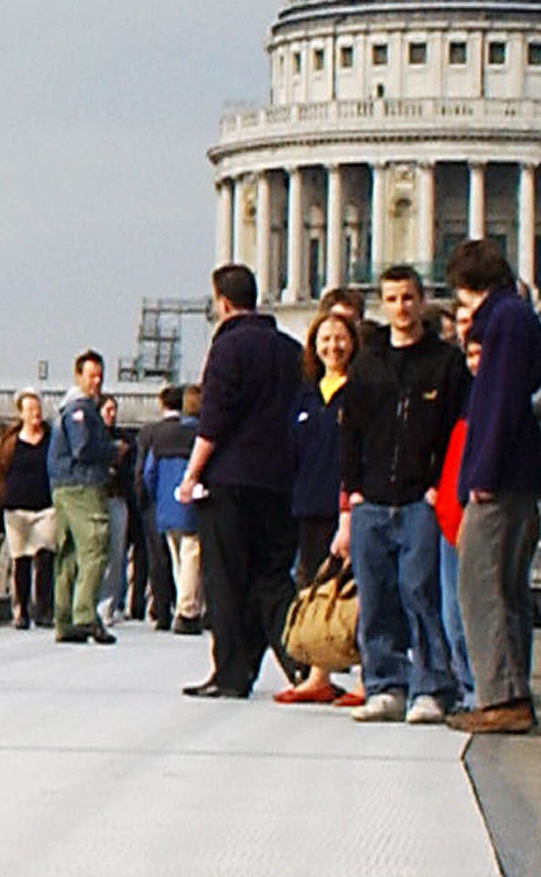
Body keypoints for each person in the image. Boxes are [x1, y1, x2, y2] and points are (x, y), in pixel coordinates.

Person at [338, 264, 469, 724]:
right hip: (372, 497)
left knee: (420, 592)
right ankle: (385, 683)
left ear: (421, 301)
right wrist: (351, 492)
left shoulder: (445, 363)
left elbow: (457, 430)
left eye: (408, 298)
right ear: (383, 304)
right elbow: (350, 431)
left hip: (420, 498)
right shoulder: (368, 364)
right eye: (392, 300)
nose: (401, 308)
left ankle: (431, 684)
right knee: (375, 595)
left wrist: (439, 486)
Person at [179, 264, 306, 700]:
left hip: (230, 481)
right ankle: (301, 662)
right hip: (279, 480)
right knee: (273, 576)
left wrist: (192, 473)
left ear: (223, 302)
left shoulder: (228, 348)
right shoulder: (290, 350)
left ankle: (232, 673)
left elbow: (215, 418)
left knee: (228, 578)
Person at [447, 234, 541, 740]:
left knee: (480, 585)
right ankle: (508, 694)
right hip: (518, 475)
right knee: (504, 587)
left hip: (502, 477)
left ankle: (502, 697)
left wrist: (481, 476)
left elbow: (501, 404)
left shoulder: (505, 322)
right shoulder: (518, 318)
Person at [271, 304, 363, 705]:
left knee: (358, 590)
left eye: (340, 338)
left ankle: (365, 673)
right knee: (314, 587)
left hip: (352, 502)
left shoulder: (361, 390)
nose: (333, 346)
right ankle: (318, 672)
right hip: (310, 502)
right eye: (325, 339)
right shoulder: (305, 395)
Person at [44, 351, 128, 645]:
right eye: (91, 376)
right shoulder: (81, 409)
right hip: (83, 484)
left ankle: (64, 619)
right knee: (94, 547)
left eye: (100, 377)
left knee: (67, 553)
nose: (96, 382)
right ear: (78, 375)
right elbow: (83, 449)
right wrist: (112, 450)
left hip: (61, 485)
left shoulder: (64, 409)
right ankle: (85, 616)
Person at [138, 387, 202, 633]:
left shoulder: (159, 435)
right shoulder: (198, 436)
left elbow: (149, 473)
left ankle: (183, 604)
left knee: (177, 558)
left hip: (165, 506)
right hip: (191, 506)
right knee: (191, 556)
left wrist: (155, 498)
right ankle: (188, 610)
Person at [0, 392, 58, 630]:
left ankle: (43, 609)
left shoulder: (51, 439)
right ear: (21, 413)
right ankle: (20, 609)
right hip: (16, 509)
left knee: (45, 558)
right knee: (20, 560)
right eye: (30, 409)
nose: (35, 414)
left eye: (38, 409)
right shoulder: (9, 443)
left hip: (46, 508)